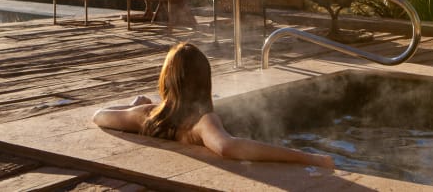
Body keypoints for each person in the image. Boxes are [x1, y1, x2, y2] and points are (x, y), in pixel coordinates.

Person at [93, 42, 334, 169]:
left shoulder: (146, 115)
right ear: (204, 81)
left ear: (166, 79)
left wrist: (133, 104)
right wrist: (307, 158)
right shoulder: (201, 121)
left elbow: (99, 115)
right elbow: (229, 147)